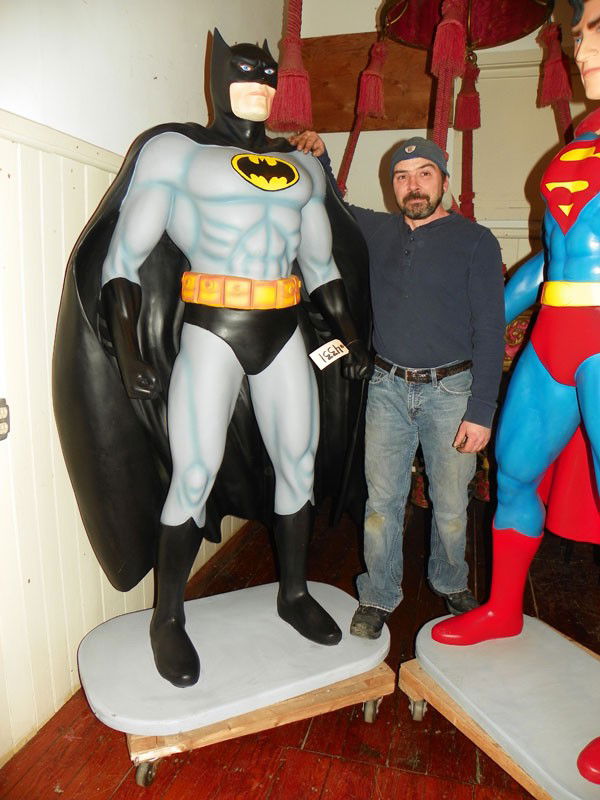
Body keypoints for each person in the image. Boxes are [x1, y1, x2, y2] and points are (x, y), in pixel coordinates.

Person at [54, 30, 371, 689]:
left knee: (299, 465)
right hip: (212, 329)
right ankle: (167, 617)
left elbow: (320, 265)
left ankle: (293, 593)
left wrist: (350, 336)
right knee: (192, 474)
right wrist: (129, 350)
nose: (259, 83)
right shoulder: (178, 153)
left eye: (268, 74)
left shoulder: (303, 168)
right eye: (245, 70)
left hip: (283, 327)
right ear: (218, 77)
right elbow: (125, 259)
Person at [430, 0, 600, 783]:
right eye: (581, 31)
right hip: (555, 337)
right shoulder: (579, 141)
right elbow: (554, 254)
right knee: (517, 471)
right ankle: (502, 607)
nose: (581, 45)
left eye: (597, 28)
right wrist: (484, 317)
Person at [290, 130, 506, 639]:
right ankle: (379, 594)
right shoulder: (376, 229)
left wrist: (481, 410)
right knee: (381, 505)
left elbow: (491, 330)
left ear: (444, 182)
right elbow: (332, 205)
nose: (413, 185)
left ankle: (451, 582)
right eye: (402, 177)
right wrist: (320, 157)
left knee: (450, 508)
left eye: (424, 174)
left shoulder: (476, 241)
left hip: (452, 393)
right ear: (393, 187)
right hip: (387, 388)